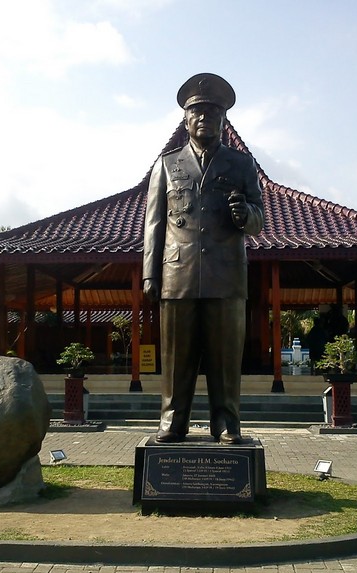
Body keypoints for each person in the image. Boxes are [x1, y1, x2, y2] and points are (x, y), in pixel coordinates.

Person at [143, 73, 264, 444]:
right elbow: (153, 224)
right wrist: (150, 275)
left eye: (212, 113)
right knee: (176, 357)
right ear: (186, 120)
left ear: (223, 120)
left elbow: (259, 221)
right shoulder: (167, 165)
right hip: (176, 273)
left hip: (226, 274)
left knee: (225, 358)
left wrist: (245, 215)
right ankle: (172, 420)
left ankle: (226, 421)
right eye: (197, 112)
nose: (204, 118)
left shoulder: (241, 164)